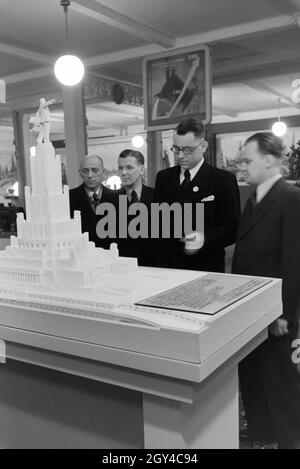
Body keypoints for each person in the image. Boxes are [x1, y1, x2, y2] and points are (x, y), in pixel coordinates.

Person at [232, 132, 300, 449]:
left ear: (270, 160)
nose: (242, 166)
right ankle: (261, 435)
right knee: (254, 376)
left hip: (276, 314)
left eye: (248, 160)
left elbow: (293, 261)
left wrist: (283, 313)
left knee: (279, 383)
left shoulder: (290, 198)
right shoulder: (255, 197)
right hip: (251, 309)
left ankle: (288, 440)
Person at [153, 117, 240, 272]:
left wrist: (203, 239)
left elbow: (232, 229)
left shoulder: (223, 180)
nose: (180, 156)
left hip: (206, 267)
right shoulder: (163, 178)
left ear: (203, 146)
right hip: (168, 267)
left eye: (188, 150)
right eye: (176, 149)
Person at [69, 154, 118, 249]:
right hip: (82, 255)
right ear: (80, 173)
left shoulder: (117, 198)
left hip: (111, 256)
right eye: (85, 171)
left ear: (103, 172)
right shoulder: (69, 198)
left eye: (94, 170)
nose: (90, 175)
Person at [117, 149, 154, 266]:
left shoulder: (158, 197)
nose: (123, 172)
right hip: (123, 268)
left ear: (142, 170)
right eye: (120, 168)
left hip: (155, 267)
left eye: (129, 167)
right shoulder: (111, 200)